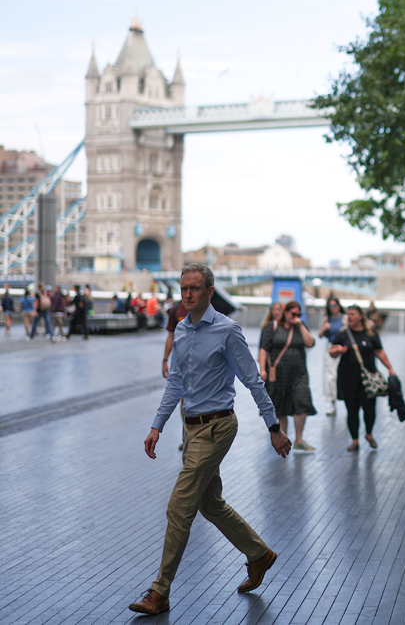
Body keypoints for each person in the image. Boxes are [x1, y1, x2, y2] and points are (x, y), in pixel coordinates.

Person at [128, 264, 292, 616]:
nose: (187, 295)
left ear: (209, 292)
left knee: (179, 507)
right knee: (209, 504)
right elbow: (176, 383)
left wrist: (273, 427)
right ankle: (259, 554)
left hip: (217, 427)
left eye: (195, 289)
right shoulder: (182, 331)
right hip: (191, 428)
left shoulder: (227, 331)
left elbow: (253, 381)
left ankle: (159, 593)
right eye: (184, 289)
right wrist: (158, 425)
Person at [329, 305, 397, 452]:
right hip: (348, 377)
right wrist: (338, 350)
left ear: (361, 316)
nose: (350, 317)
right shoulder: (343, 334)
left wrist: (390, 368)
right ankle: (354, 440)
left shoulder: (370, 333)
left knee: (369, 409)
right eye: (348, 314)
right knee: (352, 410)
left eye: (353, 314)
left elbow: (379, 352)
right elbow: (332, 351)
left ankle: (369, 434)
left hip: (368, 377)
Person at [258, 300, 317, 451]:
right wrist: (262, 369)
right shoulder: (273, 326)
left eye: (299, 314)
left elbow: (310, 343)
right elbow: (264, 348)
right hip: (278, 374)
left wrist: (300, 325)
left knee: (302, 401)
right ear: (286, 312)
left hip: (299, 373)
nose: (295, 316)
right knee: (280, 407)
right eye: (293, 313)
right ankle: (282, 438)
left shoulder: (300, 327)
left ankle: (299, 439)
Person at [164, 299, 190, 450]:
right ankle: (187, 435)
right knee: (183, 399)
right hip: (180, 361)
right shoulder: (175, 310)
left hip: (201, 361)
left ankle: (196, 435)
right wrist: (165, 359)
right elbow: (170, 335)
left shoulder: (202, 308)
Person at [317, 296, 346, 416]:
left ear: (339, 306)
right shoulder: (327, 319)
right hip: (330, 348)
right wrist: (325, 327)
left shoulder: (345, 318)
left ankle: (346, 402)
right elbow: (319, 334)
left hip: (343, 349)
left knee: (343, 375)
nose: (333, 308)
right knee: (330, 377)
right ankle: (332, 404)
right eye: (330, 306)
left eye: (335, 305)